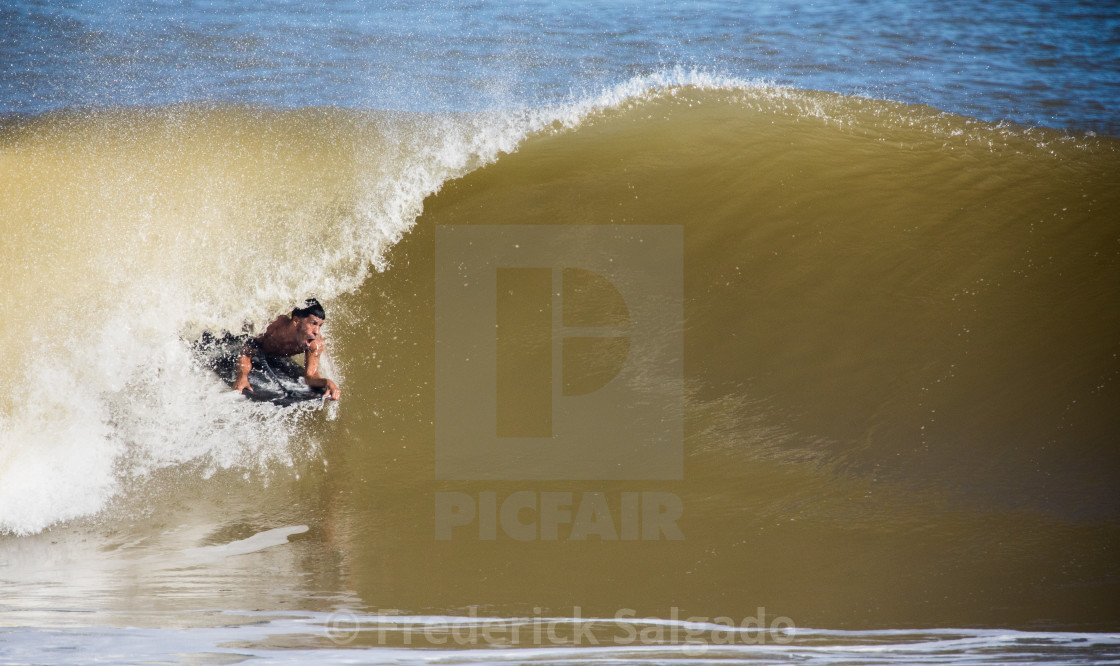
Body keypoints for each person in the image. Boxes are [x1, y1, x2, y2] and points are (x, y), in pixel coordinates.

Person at [233, 298, 341, 400]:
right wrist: (242, 376)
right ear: (296, 321)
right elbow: (246, 351)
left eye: (320, 326)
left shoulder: (314, 344)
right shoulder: (271, 328)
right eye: (313, 324)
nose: (317, 331)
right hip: (240, 333)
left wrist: (326, 382)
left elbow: (310, 375)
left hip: (268, 352)